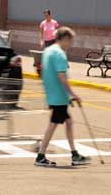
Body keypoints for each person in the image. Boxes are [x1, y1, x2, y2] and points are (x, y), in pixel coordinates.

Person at [34, 26, 90, 167]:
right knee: (53, 125)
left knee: (68, 122)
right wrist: (73, 94)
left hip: (53, 94)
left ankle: (74, 154)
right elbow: (61, 77)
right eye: (70, 41)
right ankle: (40, 156)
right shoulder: (59, 54)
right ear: (65, 39)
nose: (70, 44)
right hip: (58, 96)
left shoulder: (48, 51)